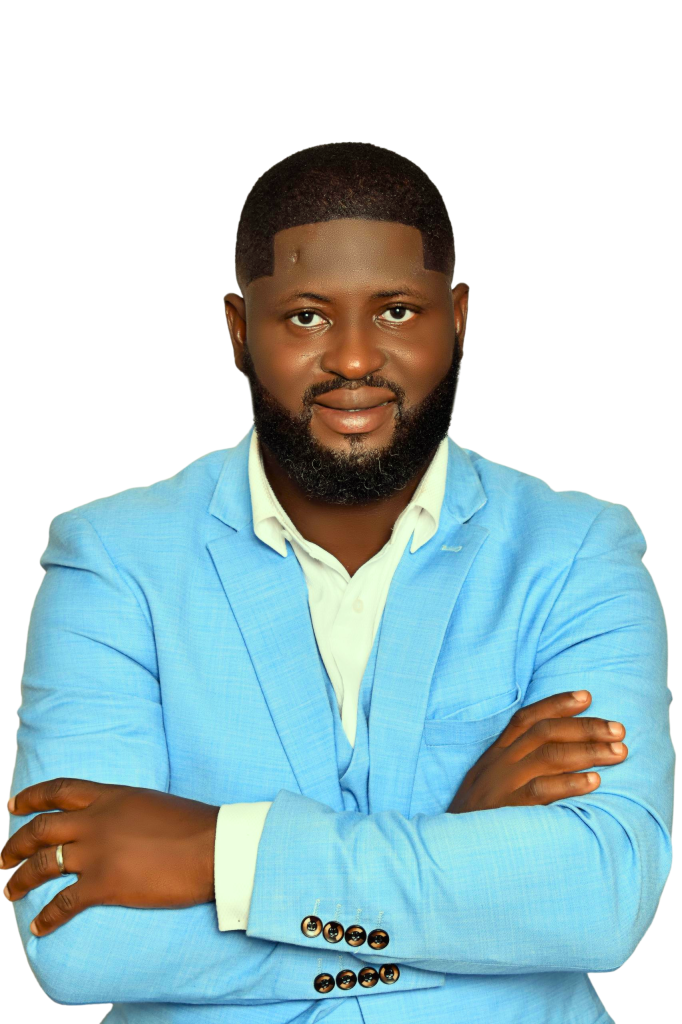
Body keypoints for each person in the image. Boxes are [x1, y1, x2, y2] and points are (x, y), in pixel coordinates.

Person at [4, 142, 672, 1023]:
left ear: (457, 319)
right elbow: (78, 943)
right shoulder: (111, 560)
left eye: (396, 310)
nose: (354, 359)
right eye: (307, 317)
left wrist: (224, 854)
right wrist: (460, 863)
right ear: (239, 331)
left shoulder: (578, 551)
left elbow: (601, 900)